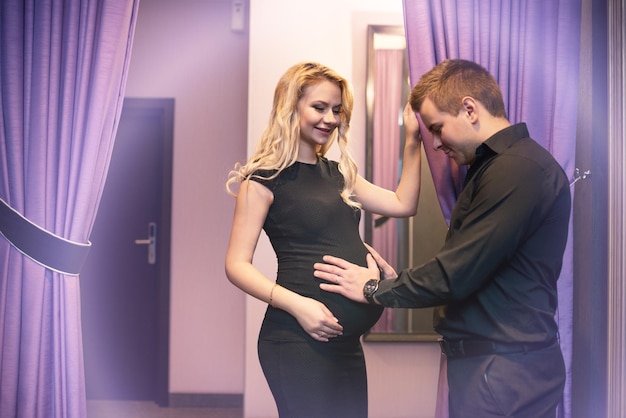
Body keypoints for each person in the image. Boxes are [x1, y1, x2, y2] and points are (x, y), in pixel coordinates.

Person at [314, 59, 571, 418]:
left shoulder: (517, 170)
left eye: (437, 128)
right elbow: (474, 270)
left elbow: (458, 272)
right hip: (498, 367)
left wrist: (375, 289)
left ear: (469, 109)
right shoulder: (495, 169)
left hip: (505, 370)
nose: (435, 143)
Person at [224, 62, 422, 418]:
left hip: (345, 343)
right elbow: (236, 265)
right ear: (291, 107)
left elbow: (402, 204)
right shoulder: (262, 180)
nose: (330, 118)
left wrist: (412, 140)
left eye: (336, 109)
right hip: (298, 338)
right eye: (319, 107)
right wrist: (301, 306)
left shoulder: (338, 173)